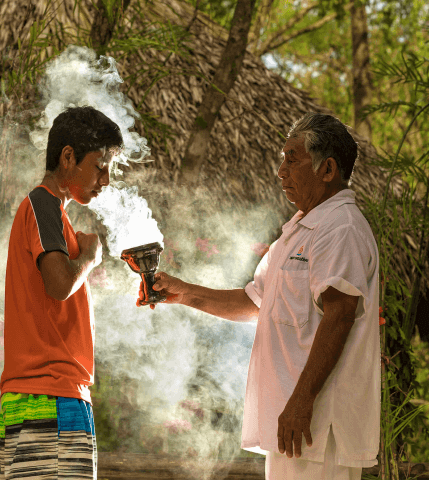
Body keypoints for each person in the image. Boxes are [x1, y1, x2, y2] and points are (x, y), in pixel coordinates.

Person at [139, 113, 380, 480]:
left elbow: (340, 315)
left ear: (328, 169)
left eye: (292, 159)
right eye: (283, 158)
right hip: (294, 427)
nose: (281, 171)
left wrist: (301, 402)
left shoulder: (340, 227)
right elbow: (256, 302)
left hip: (317, 425)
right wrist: (183, 293)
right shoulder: (298, 231)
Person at [0, 106, 122, 480]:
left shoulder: (56, 214)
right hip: (45, 394)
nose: (106, 179)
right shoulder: (42, 204)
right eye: (100, 166)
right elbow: (59, 284)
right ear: (68, 157)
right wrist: (90, 257)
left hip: (57, 392)